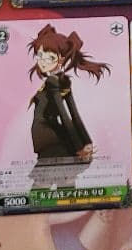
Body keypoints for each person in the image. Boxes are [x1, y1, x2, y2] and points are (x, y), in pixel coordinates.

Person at [27, 25, 110, 164]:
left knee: (48, 175)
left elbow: (65, 114)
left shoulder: (52, 81)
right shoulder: (62, 80)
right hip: (55, 136)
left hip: (47, 138)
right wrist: (86, 142)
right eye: (40, 56)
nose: (42, 61)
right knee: (65, 174)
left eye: (49, 58)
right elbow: (73, 115)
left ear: (61, 59)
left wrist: (80, 147)